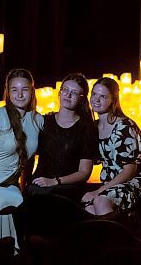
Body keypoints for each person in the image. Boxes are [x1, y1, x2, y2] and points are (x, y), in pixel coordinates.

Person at [0, 68, 43, 251]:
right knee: (1, 204)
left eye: (25, 89)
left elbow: (29, 158)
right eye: (14, 89)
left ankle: (15, 254)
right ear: (8, 92)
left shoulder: (37, 120)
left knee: (17, 202)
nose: (20, 94)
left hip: (12, 184)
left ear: (32, 91)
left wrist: (26, 181)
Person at [82, 77, 141, 215]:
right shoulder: (94, 127)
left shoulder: (124, 127)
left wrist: (99, 191)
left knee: (100, 201)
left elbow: (129, 170)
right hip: (111, 184)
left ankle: (118, 235)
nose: (96, 99)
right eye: (94, 94)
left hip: (134, 182)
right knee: (89, 207)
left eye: (103, 96)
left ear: (113, 100)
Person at [27, 73, 99, 203]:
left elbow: (84, 172)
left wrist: (55, 181)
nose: (68, 95)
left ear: (82, 99)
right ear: (60, 93)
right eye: (65, 90)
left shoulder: (87, 128)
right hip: (39, 184)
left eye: (74, 93)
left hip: (67, 187)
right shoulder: (44, 121)